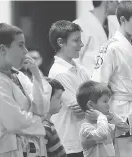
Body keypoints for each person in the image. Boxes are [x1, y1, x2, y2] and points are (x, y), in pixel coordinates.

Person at [92, 1, 132, 157]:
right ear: (122, 20)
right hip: (121, 111)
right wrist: (101, 122)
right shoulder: (110, 47)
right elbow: (99, 85)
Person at [0, 23, 52, 157]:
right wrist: (39, 120)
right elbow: (15, 121)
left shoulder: (19, 75)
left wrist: (36, 74)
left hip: (33, 148)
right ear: (3, 49)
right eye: (20, 45)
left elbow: (42, 108)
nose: (25, 51)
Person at [48, 20, 89, 157]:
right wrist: (92, 103)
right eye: (76, 40)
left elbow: (96, 98)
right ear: (60, 42)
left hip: (84, 141)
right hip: (69, 144)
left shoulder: (81, 69)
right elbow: (80, 110)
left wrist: (90, 103)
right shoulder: (59, 72)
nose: (81, 44)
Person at [76, 80, 129, 157]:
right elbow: (102, 134)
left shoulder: (105, 125)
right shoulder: (86, 129)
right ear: (91, 105)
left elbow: (125, 128)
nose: (108, 106)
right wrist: (101, 116)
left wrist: (112, 117)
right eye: (105, 101)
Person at [73, 0, 119, 76]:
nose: (118, 4)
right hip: (86, 83)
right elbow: (73, 59)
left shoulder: (113, 28)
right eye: (116, 1)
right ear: (107, 1)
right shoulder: (80, 25)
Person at [43, 78, 67, 157]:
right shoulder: (45, 127)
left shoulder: (48, 124)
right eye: (58, 97)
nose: (61, 101)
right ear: (46, 98)